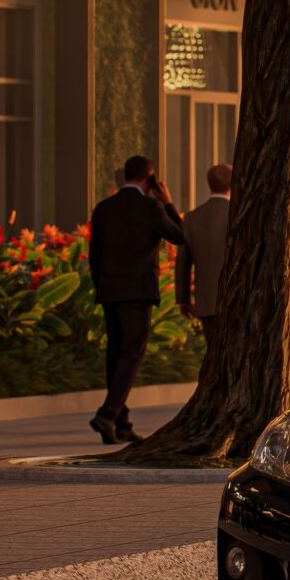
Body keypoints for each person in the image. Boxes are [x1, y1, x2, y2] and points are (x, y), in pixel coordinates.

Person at [88, 155, 187, 445]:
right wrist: (168, 201)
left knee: (116, 354)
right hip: (138, 291)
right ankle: (107, 414)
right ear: (150, 179)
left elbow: (95, 254)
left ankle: (120, 423)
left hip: (109, 291)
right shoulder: (151, 207)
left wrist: (101, 286)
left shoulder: (104, 208)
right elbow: (180, 235)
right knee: (132, 353)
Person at [178, 163, 233, 349]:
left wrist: (183, 299)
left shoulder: (192, 217)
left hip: (205, 300)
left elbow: (183, 262)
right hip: (235, 300)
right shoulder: (237, 215)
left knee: (214, 352)